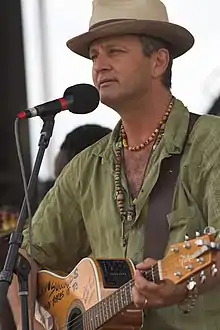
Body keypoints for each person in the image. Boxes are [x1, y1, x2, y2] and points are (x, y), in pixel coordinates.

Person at [8, 0, 220, 329]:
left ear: (158, 61)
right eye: (94, 56)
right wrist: (29, 324)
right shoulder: (86, 169)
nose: (99, 65)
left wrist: (182, 287)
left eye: (115, 52)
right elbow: (20, 259)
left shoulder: (212, 143)